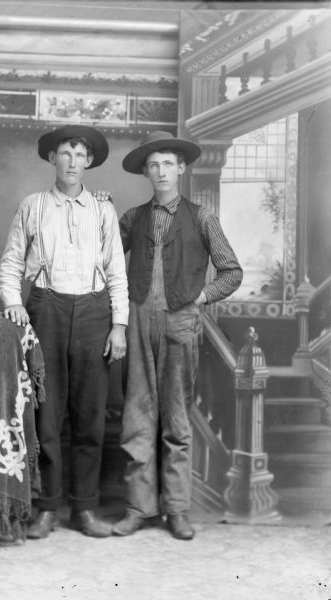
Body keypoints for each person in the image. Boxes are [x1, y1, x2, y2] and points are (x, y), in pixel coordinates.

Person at [0, 125, 128, 538]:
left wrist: (119, 325)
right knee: (46, 413)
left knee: (89, 415)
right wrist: (13, 302)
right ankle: (48, 508)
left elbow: (117, 273)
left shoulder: (102, 210)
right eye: (65, 153)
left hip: (93, 312)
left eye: (80, 154)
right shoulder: (33, 206)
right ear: (52, 158)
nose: (72, 161)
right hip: (46, 310)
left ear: (89, 162)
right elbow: (10, 265)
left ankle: (84, 510)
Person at [112, 130, 243, 540]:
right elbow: (107, 263)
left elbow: (232, 271)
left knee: (177, 419)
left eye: (168, 163)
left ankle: (177, 510)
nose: (161, 171)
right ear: (146, 172)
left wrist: (201, 297)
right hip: (137, 324)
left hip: (181, 325)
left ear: (181, 168)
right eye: (153, 165)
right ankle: (138, 507)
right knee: (136, 418)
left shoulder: (202, 217)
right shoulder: (133, 218)